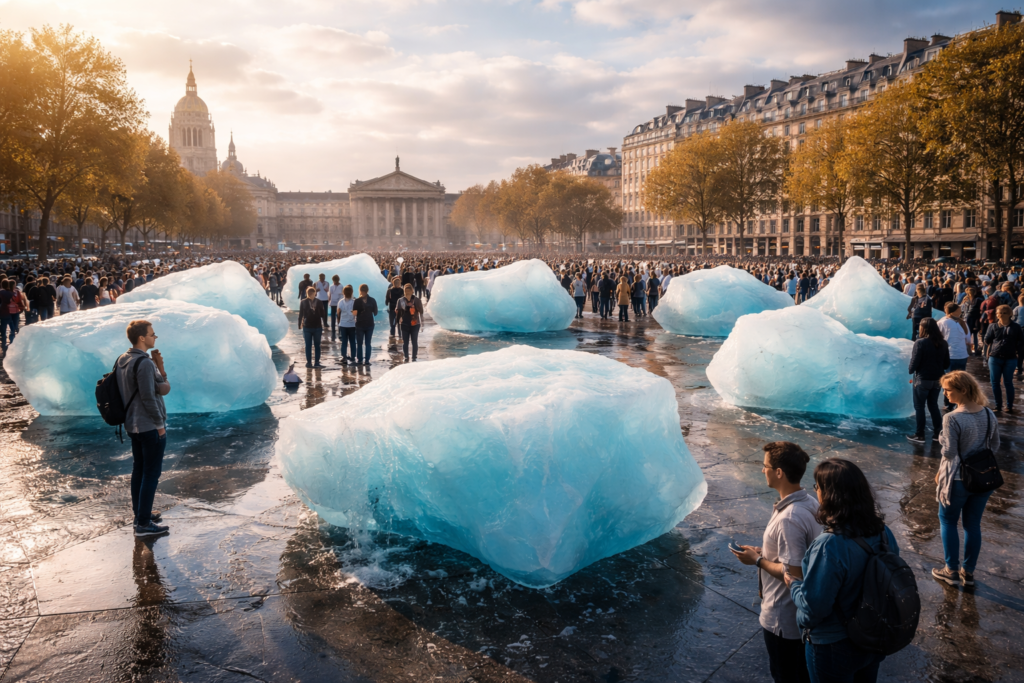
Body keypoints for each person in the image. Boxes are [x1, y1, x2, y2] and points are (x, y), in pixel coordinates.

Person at [785, 459, 900, 683]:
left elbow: (814, 608)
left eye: (817, 487)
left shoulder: (830, 545)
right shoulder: (884, 532)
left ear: (830, 494)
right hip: (873, 637)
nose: (815, 492)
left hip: (833, 646)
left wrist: (795, 585)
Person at [731, 442, 819, 683]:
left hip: (784, 621)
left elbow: (795, 574)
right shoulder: (810, 503)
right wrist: (765, 551)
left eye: (765, 466)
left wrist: (757, 560)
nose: (763, 470)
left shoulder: (789, 518)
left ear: (779, 472)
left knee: (786, 676)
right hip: (802, 621)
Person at [933, 371, 999, 587]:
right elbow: (995, 445)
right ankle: (968, 572)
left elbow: (950, 452)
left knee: (948, 520)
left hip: (958, 479)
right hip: (983, 478)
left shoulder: (951, 418)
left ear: (963, 390)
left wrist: (942, 440)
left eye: (948, 390)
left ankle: (950, 570)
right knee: (973, 525)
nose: (945, 394)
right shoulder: (989, 414)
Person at [117, 319, 171, 538]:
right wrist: (160, 426)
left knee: (139, 470)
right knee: (151, 473)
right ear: (142, 337)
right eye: (152, 334)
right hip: (149, 426)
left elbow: (158, 388)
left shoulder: (123, 359)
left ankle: (141, 514)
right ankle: (143, 524)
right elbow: (151, 395)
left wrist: (160, 368)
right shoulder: (144, 363)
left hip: (132, 424)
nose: (154, 337)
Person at [907, 318, 950, 444]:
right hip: (937, 379)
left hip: (923, 379)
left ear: (923, 328)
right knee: (933, 405)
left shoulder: (920, 343)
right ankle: (938, 433)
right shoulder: (943, 343)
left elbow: (914, 362)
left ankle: (920, 434)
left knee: (919, 407)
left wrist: (911, 370)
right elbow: (947, 364)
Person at [984, 304, 1024, 412]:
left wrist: (1018, 356)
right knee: (995, 382)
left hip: (1010, 358)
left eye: (1004, 313)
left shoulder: (1016, 327)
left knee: (1008, 382)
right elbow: (987, 340)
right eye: (999, 313)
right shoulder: (993, 326)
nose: (1001, 315)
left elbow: (1021, 341)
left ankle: (1009, 406)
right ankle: (998, 406)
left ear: (1010, 314)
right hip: (995, 357)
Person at [937, 303, 972, 410]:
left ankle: (949, 404)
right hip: (961, 355)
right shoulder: (962, 323)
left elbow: (938, 338)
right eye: (959, 309)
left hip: (950, 355)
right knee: (961, 380)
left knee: (949, 381)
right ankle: (960, 402)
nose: (961, 311)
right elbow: (968, 339)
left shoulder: (942, 322)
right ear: (953, 311)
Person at [297, 286, 327, 368]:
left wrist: (324, 322)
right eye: (309, 293)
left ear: (315, 293)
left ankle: (316, 362)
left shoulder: (319, 302)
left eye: (312, 293)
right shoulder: (303, 302)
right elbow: (301, 314)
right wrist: (299, 324)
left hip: (317, 326)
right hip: (307, 326)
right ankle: (309, 362)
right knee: (308, 345)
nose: (311, 295)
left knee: (317, 345)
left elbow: (323, 314)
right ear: (307, 294)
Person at [396, 283, 423, 361]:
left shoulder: (417, 300)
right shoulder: (400, 300)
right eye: (406, 291)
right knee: (405, 342)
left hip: (415, 324)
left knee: (414, 341)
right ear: (404, 292)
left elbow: (421, 311)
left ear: (412, 291)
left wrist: (414, 306)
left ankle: (414, 357)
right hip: (404, 324)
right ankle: (406, 356)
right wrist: (398, 322)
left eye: (409, 291)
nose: (407, 293)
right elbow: (398, 312)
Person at [353, 283, 378, 366]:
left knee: (360, 343)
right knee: (367, 343)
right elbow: (376, 312)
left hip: (361, 324)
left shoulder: (357, 301)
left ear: (360, 291)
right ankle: (366, 360)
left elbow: (355, 313)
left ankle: (360, 360)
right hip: (369, 323)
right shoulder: (372, 300)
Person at [336, 284, 357, 365]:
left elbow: (338, 313)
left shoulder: (341, 302)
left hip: (343, 324)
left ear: (343, 293)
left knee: (344, 341)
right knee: (352, 341)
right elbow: (355, 313)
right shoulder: (354, 302)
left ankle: (344, 357)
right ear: (351, 292)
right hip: (352, 324)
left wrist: (339, 322)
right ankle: (353, 357)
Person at [328, 275, 345, 340]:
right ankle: (333, 330)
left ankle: (339, 329)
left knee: (339, 316)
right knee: (333, 317)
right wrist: (329, 301)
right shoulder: (331, 286)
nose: (334, 282)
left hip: (339, 303)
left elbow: (343, 294)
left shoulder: (341, 286)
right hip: (333, 303)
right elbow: (330, 294)